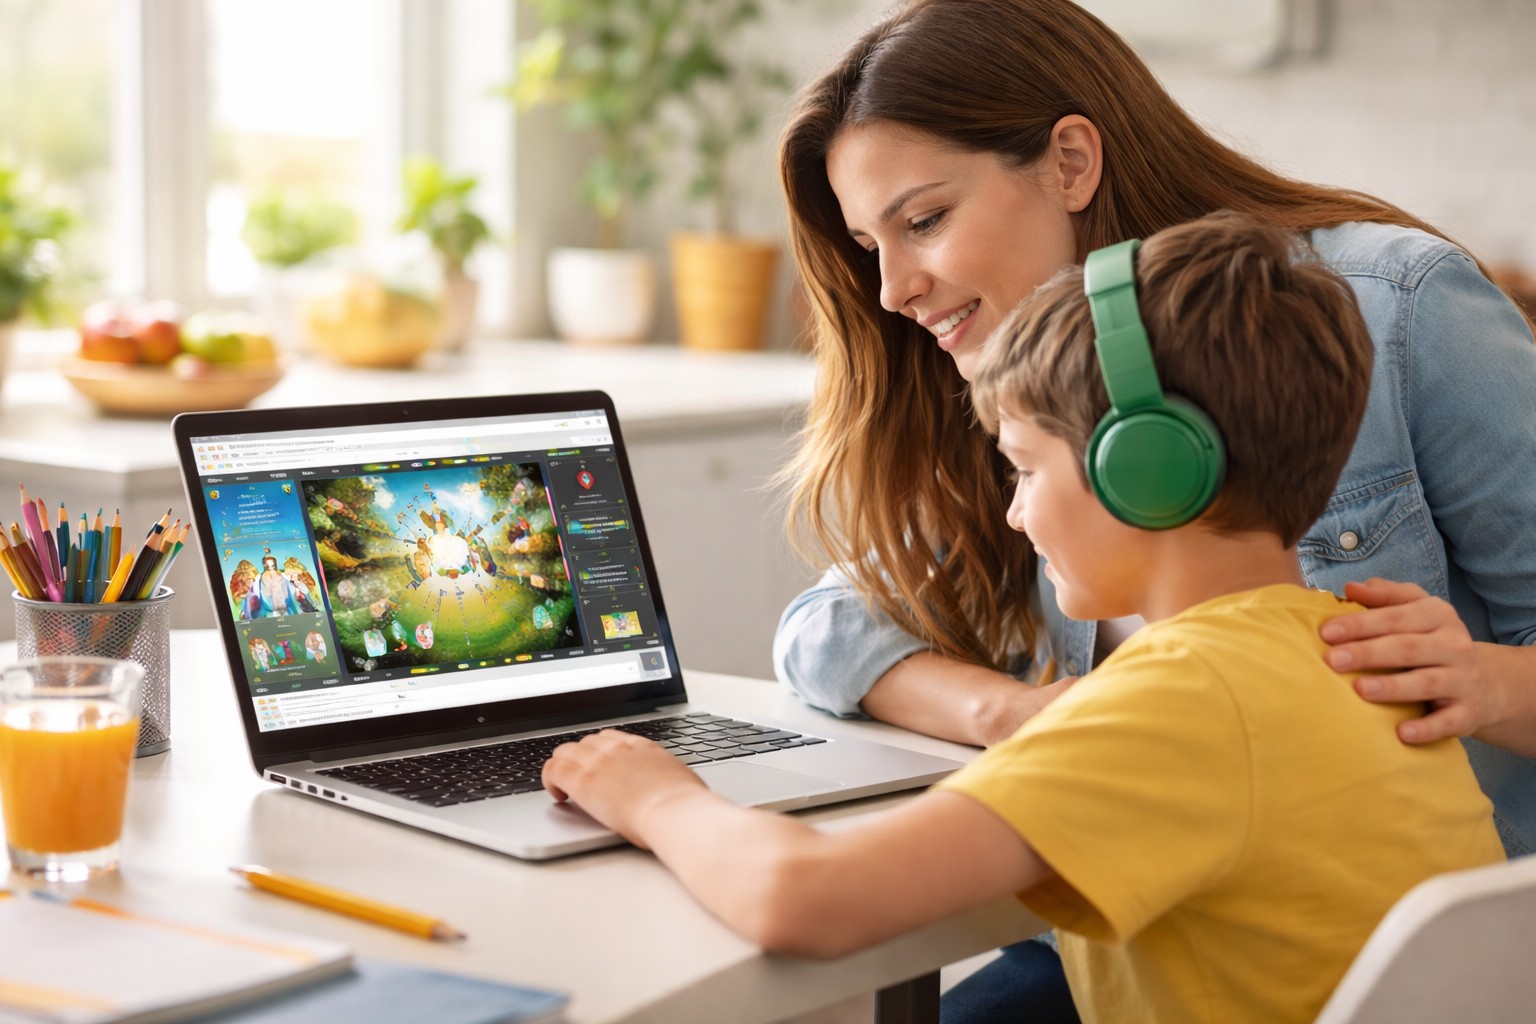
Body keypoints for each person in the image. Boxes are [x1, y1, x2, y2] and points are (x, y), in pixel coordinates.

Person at [542, 213, 1506, 1024]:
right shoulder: (1357, 660)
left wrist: (656, 796)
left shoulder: (1181, 698)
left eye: (1024, 468)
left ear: (1149, 470)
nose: (1012, 512)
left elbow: (807, 899)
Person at [772, 0, 1536, 857]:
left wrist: (1487, 683)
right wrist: (1012, 713)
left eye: (924, 221)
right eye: (871, 247)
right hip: (1129, 918)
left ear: (1069, 162)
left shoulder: (1398, 309)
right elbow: (825, 627)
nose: (892, 291)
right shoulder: (1014, 379)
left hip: (1406, 931)